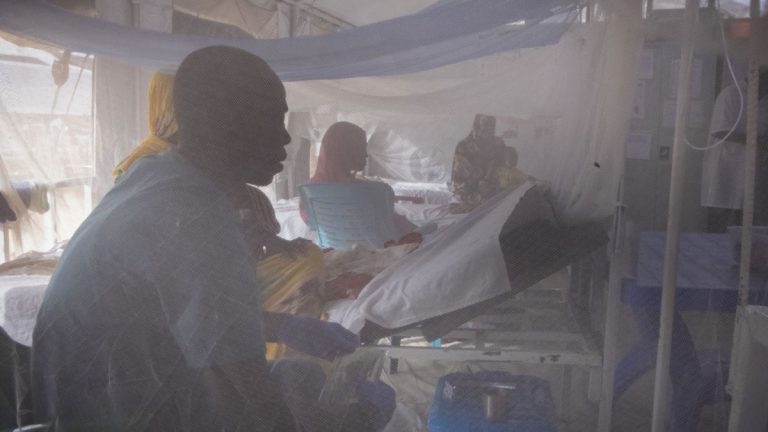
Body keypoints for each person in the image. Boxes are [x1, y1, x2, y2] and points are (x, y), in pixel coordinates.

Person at [32, 46, 393, 432]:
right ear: (223, 125)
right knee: (309, 401)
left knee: (301, 378)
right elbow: (244, 399)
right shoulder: (198, 219)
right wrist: (355, 422)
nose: (286, 137)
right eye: (273, 119)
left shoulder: (156, 174)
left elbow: (196, 314)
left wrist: (283, 327)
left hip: (85, 393)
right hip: (110, 413)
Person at [300, 121, 417, 237]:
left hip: (332, 247)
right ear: (347, 152)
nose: (366, 155)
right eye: (362, 148)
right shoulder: (377, 191)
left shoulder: (310, 190)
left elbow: (311, 224)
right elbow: (391, 226)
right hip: (383, 248)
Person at [701, 68, 768, 232]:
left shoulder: (765, 101)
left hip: (753, 171)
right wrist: (756, 140)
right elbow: (720, 131)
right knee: (720, 223)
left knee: (745, 223)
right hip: (725, 170)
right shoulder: (730, 95)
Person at [449, 114, 509, 214]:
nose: (486, 132)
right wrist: (478, 184)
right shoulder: (464, 145)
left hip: (492, 187)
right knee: (464, 201)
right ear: (476, 127)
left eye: (490, 128)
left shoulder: (498, 144)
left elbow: (504, 168)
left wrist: (490, 180)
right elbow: (459, 177)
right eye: (483, 128)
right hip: (469, 189)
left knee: (507, 201)